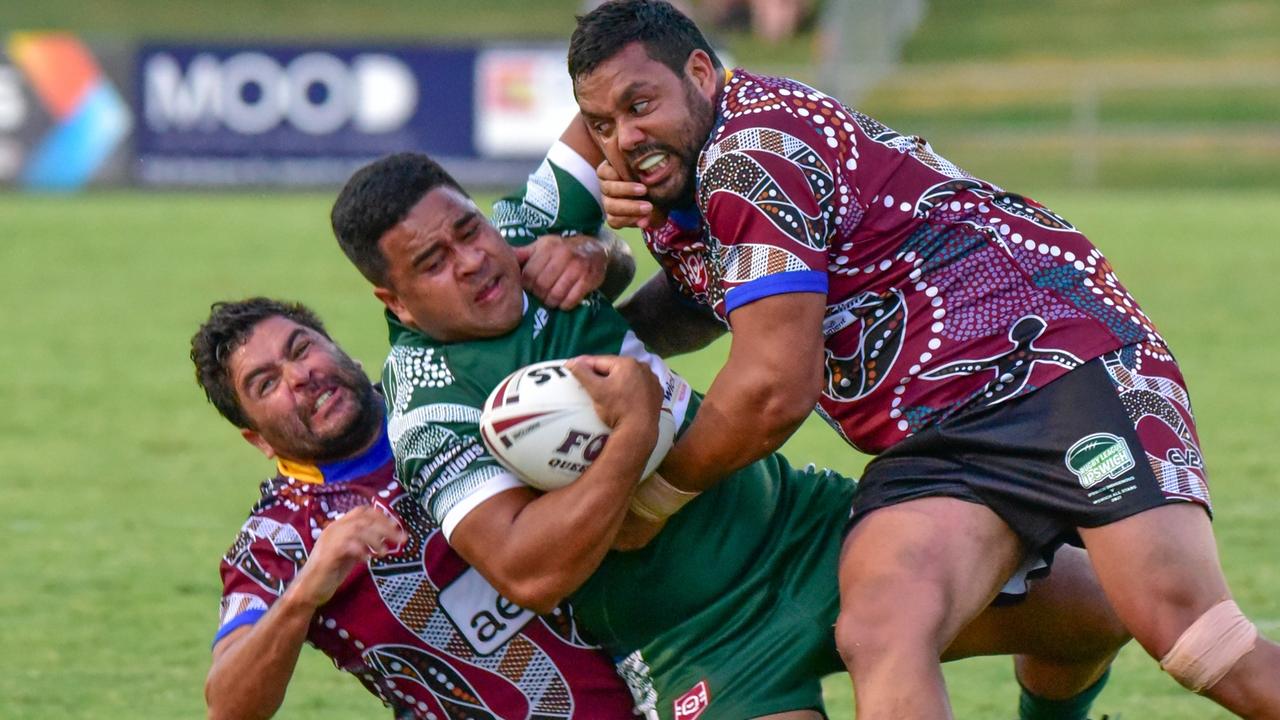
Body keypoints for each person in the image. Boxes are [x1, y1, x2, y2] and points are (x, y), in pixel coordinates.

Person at [569, 1, 1280, 717]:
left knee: (1199, 642)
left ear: (700, 71)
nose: (626, 138)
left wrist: (651, 496)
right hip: (936, 436)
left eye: (640, 105)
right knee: (881, 628)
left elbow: (772, 389)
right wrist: (588, 328)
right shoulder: (696, 177)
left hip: (1057, 366)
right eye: (603, 125)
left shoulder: (750, 154)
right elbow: (717, 300)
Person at [328, 150, 1128, 720]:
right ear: (391, 300)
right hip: (694, 640)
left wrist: (595, 249)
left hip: (801, 528)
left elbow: (618, 78)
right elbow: (529, 574)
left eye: (467, 229)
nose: (473, 261)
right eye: (432, 263)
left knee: (1099, 608)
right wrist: (635, 426)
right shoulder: (428, 411)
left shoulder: (524, 229)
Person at [191, 298, 638, 719]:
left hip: (669, 675)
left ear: (340, 349)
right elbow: (228, 707)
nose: (299, 375)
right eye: (266, 384)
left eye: (302, 348)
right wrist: (304, 591)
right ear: (259, 440)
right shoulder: (277, 540)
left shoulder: (449, 394)